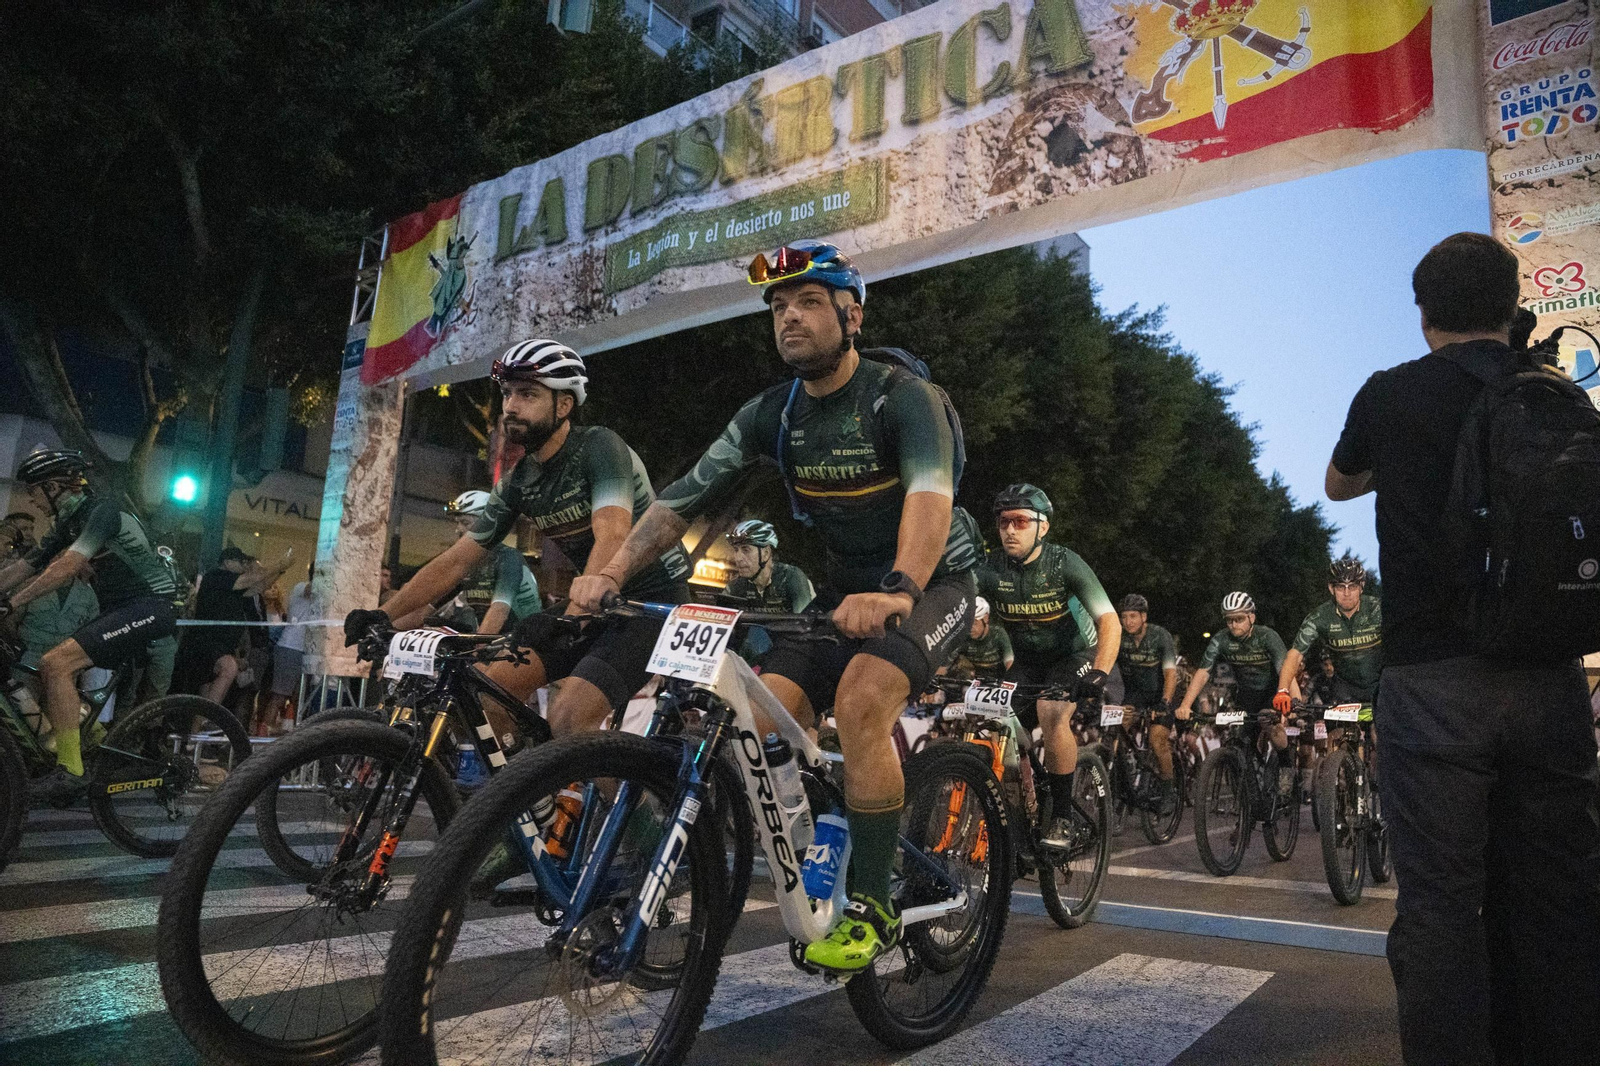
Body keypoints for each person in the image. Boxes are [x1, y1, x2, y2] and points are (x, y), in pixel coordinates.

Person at [568, 240, 981, 973]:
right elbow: (680, 502)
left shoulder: (901, 398)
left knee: (861, 702)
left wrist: (898, 591)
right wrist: (614, 571)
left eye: (810, 303)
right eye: (780, 307)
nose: (791, 317)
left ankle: (874, 903)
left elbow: (928, 504)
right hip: (839, 596)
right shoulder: (770, 414)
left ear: (851, 316)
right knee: (753, 723)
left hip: (931, 584)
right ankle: (835, 816)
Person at [1326, 231, 1600, 1065]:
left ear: (1424, 315)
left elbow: (1338, 483)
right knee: (1557, 899)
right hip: (1549, 675)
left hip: (1433, 679)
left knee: (1443, 905)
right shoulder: (1557, 394)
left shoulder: (1391, 395)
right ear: (1512, 306)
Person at [345, 339, 693, 743]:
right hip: (594, 602)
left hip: (651, 603)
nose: (510, 405)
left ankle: (641, 807)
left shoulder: (599, 447)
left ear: (564, 405)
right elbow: (457, 561)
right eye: (508, 393)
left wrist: (569, 616)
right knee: (488, 700)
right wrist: (383, 615)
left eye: (528, 394)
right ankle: (532, 803)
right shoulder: (520, 480)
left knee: (567, 721)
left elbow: (612, 535)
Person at [0, 450, 181, 802]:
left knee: (55, 663)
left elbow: (66, 566)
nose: (32, 500)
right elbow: (24, 567)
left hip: (150, 606)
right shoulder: (66, 524)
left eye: (34, 491)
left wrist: (13, 602)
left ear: (53, 487)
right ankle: (95, 737)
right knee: (41, 670)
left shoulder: (102, 512)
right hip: (118, 609)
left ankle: (71, 770)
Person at [977, 482, 1122, 849]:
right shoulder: (990, 567)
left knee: (1051, 710)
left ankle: (1062, 816)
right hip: (1029, 662)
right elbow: (957, 611)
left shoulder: (1063, 562)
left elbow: (1109, 621)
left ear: (1043, 527)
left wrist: (1099, 672)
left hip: (1075, 656)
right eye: (1003, 521)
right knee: (993, 721)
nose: (1010, 529)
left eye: (1021, 521)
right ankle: (1018, 807)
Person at [1274, 556, 1382, 756]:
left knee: (1380, 736)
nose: (1347, 593)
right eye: (1341, 587)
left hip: (1380, 684)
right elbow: (1295, 654)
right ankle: (1340, 778)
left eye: (1353, 586)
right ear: (1331, 589)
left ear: (1362, 587)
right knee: (1336, 739)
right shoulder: (1320, 616)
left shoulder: (1378, 610)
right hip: (1345, 685)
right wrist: (1282, 690)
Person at [1175, 592, 1290, 776]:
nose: (1233, 625)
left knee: (1273, 728)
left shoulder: (1267, 636)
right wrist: (1185, 705)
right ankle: (1248, 783)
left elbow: (1285, 671)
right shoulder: (1221, 639)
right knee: (1240, 739)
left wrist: (1293, 699)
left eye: (1238, 619)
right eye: (1229, 620)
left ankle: (1286, 768)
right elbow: (1203, 673)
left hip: (1271, 692)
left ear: (1251, 617)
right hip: (1245, 694)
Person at [178, 546, 294, 706]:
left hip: (221, 644)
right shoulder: (217, 576)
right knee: (228, 668)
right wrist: (280, 564)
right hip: (207, 641)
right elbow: (251, 580)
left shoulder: (231, 586)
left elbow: (259, 587)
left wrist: (281, 571)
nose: (244, 566)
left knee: (208, 689)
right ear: (227, 562)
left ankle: (200, 726)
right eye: (241, 562)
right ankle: (210, 717)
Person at [1116, 593, 1180, 814]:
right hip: (1134, 695)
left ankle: (1168, 792)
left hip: (1162, 694)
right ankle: (1120, 782)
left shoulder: (1160, 636)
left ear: (1144, 617)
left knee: (1157, 739)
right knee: (1115, 733)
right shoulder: (1120, 636)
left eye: (1133, 616)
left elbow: (1171, 673)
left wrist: (1165, 702)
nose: (1128, 621)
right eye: (1124, 617)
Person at [444, 490, 542, 635]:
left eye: (465, 523)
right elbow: (429, 601)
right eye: (457, 523)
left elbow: (499, 611)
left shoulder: (508, 558)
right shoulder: (468, 561)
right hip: (493, 641)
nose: (458, 529)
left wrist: (478, 652)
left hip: (524, 644)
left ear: (486, 524)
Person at [721, 519, 814, 613]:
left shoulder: (791, 577)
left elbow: (803, 622)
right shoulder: (736, 585)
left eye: (746, 550)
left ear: (766, 553)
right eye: (736, 550)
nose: (738, 558)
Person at [268, 563, 317, 732]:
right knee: (280, 695)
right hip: (290, 647)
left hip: (307, 650)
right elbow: (311, 590)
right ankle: (262, 734)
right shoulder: (301, 587)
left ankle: (289, 730)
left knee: (299, 696)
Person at [946, 596, 1013, 681]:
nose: (970, 628)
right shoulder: (963, 636)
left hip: (998, 679)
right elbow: (946, 664)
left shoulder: (998, 633)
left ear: (985, 618)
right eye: (967, 623)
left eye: (975, 623)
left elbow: (1009, 661)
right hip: (975, 680)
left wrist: (1007, 681)